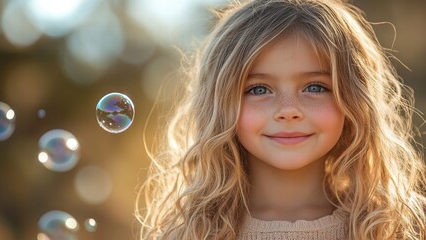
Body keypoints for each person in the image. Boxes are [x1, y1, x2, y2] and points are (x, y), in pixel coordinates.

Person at [136, 0, 426, 239]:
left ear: (355, 99)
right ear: (219, 105)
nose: (288, 110)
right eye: (258, 89)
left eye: (315, 87)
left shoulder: (398, 228)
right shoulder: (189, 233)